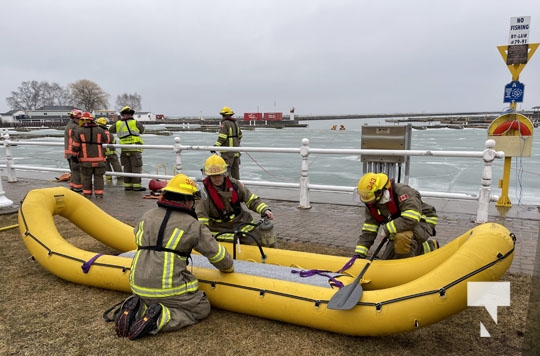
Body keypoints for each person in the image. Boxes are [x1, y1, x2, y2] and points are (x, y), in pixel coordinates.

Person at [115, 174, 234, 340]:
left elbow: (138, 237)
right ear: (187, 201)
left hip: (136, 284)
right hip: (168, 289)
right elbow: (220, 257)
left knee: (152, 297)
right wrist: (229, 267)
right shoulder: (192, 225)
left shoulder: (147, 216)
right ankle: (159, 319)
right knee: (201, 307)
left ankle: (138, 311)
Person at [196, 155, 278, 248]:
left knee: (261, 241)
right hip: (220, 230)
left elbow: (251, 199)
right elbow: (201, 219)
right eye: (213, 176)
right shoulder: (204, 194)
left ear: (224, 173)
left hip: (242, 223)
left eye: (218, 174)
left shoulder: (235, 184)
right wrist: (206, 239)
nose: (216, 178)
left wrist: (264, 209)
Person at [354, 172, 439, 260]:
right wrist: (359, 253)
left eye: (369, 197)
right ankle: (415, 249)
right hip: (400, 225)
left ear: (379, 192)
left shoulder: (403, 192)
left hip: (422, 222)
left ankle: (420, 255)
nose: (367, 201)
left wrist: (387, 229)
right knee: (387, 259)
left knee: (402, 238)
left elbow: (411, 219)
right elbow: (369, 230)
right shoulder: (372, 203)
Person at [71, 112, 109, 198]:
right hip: (99, 160)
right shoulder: (100, 130)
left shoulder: (79, 131)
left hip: (85, 161)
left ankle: (87, 194)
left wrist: (74, 156)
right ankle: (99, 194)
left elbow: (75, 146)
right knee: (99, 177)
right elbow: (106, 140)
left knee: (86, 177)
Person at [109, 106, 146, 191]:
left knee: (127, 168)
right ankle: (137, 186)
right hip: (135, 148)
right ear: (131, 114)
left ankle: (128, 186)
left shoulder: (118, 123)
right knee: (136, 168)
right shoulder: (136, 122)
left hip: (124, 149)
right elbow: (143, 131)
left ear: (122, 115)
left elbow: (110, 130)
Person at [213, 106, 242, 180]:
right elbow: (240, 135)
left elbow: (222, 136)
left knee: (226, 173)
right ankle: (237, 189)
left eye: (222, 115)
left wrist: (216, 146)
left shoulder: (225, 123)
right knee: (236, 174)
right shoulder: (236, 123)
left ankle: (228, 189)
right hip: (236, 152)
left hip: (228, 153)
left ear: (224, 115)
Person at [96, 117, 123, 184]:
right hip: (111, 152)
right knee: (116, 165)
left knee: (106, 165)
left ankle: (109, 178)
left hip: (103, 152)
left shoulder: (98, 133)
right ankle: (120, 177)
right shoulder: (108, 132)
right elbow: (113, 141)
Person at [64, 109, 83, 192]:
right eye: (79, 119)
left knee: (73, 170)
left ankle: (73, 185)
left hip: (69, 152)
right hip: (74, 152)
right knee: (77, 170)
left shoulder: (69, 125)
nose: (80, 121)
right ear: (74, 118)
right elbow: (80, 137)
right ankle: (78, 187)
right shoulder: (75, 127)